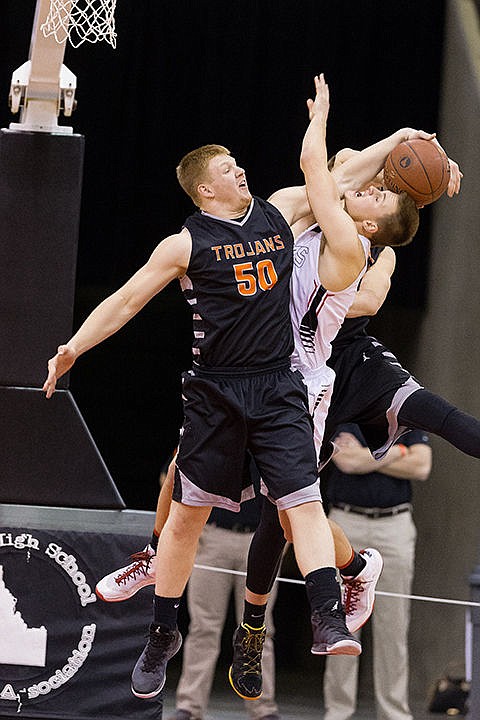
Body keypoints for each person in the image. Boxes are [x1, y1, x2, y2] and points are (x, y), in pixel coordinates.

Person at [42, 74, 444, 702]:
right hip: (217, 388)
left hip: (282, 382)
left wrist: (396, 140)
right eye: (229, 168)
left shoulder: (280, 211)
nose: (240, 170)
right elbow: (124, 300)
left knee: (300, 506)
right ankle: (160, 632)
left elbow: (337, 178)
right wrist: (73, 348)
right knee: (183, 516)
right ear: (206, 187)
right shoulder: (185, 244)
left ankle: (327, 615)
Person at [228, 77, 465, 701]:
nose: (371, 186)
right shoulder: (314, 208)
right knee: (183, 478)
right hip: (250, 362)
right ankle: (166, 597)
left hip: (309, 371)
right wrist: (418, 157)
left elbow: (331, 171)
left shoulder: (348, 238)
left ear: (372, 217)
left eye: (381, 194)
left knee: (289, 506)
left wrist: (401, 168)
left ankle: (270, 622)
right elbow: (350, 172)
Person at [322, 424, 432, 720]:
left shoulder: (407, 415)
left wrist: (366, 457)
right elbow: (347, 462)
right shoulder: (346, 410)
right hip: (347, 522)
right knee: (342, 622)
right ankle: (338, 710)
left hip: (393, 524)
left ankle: (394, 712)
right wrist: (399, 451)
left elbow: (422, 466)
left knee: (393, 625)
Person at [169, 457, 280, 720]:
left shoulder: (275, 430)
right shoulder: (217, 426)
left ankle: (263, 709)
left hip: (260, 538)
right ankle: (190, 706)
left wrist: (280, 539)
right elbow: (172, 475)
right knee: (203, 626)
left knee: (261, 630)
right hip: (213, 536)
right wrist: (189, 528)